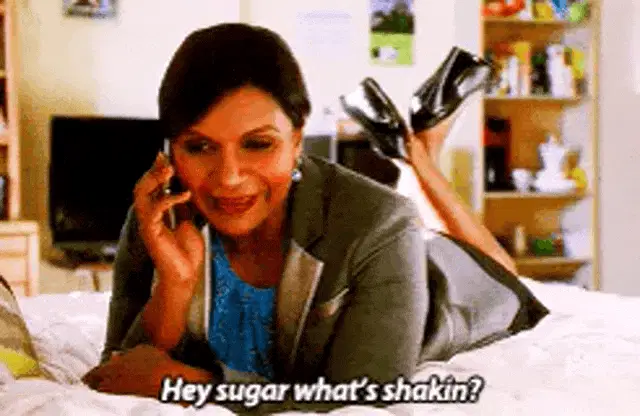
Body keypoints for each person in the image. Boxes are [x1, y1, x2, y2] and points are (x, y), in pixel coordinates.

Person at [82, 24, 546, 413]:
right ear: (170, 148)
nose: (228, 178)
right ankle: (416, 150)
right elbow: (118, 372)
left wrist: (194, 387)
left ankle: (420, 154)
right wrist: (175, 286)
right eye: (199, 146)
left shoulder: (383, 223)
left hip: (454, 286)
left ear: (298, 139)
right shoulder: (159, 218)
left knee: (502, 270)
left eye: (258, 144)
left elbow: (365, 400)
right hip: (388, 243)